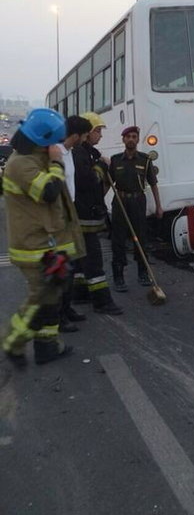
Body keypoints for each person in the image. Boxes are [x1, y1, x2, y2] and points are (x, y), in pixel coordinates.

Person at [1, 108, 85, 367]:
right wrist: (58, 162)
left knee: (51, 298)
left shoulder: (34, 157)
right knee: (39, 300)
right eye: (54, 142)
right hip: (32, 247)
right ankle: (13, 342)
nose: (57, 146)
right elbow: (49, 191)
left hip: (46, 243)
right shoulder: (20, 164)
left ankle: (47, 346)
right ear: (44, 140)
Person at [72, 112, 123, 315]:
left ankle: (80, 293)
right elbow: (87, 181)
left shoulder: (87, 152)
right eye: (98, 131)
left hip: (85, 214)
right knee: (93, 259)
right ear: (89, 132)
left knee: (81, 257)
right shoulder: (80, 154)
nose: (100, 135)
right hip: (84, 215)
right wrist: (102, 166)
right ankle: (102, 302)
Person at [109, 126, 163, 291]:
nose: (131, 139)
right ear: (123, 139)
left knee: (141, 238)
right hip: (120, 202)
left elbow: (153, 184)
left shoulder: (145, 160)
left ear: (138, 140)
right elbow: (108, 182)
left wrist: (159, 206)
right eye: (128, 137)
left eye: (134, 136)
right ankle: (118, 277)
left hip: (138, 201)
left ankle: (143, 273)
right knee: (118, 240)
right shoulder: (115, 160)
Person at [57, 115, 92, 332]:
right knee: (62, 267)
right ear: (77, 135)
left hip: (70, 213)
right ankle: (59, 316)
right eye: (85, 135)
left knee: (70, 265)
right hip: (59, 216)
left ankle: (66, 308)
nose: (86, 139)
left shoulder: (69, 153)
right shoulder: (56, 154)